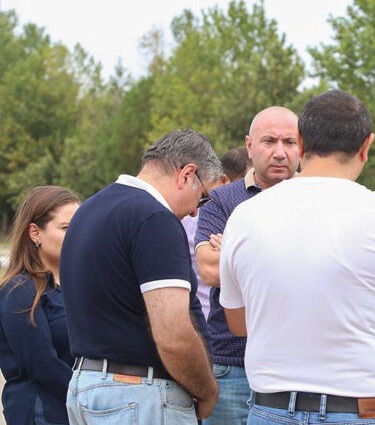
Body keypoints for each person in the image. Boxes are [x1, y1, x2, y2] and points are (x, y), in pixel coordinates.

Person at [219, 89, 375, 425]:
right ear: (366, 146)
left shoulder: (245, 216)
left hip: (272, 409)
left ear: (300, 142)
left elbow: (238, 322)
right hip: (370, 411)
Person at [60, 129, 221, 423]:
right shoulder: (155, 218)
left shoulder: (89, 209)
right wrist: (208, 391)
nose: (195, 214)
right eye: (202, 199)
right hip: (137, 394)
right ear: (187, 175)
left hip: (86, 386)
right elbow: (173, 335)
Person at [194, 107, 300, 424]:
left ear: (303, 147)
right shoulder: (221, 199)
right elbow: (209, 270)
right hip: (232, 365)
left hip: (299, 367)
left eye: (289, 142)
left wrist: (235, 251)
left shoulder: (318, 199)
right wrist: (292, 254)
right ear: (249, 146)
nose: (280, 152)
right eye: (269, 141)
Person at [0, 186, 79, 425]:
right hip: (41, 412)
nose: (77, 234)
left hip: (75, 412)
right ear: (35, 232)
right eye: (67, 228)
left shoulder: (76, 287)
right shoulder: (19, 290)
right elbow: (42, 364)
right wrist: (90, 398)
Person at [183, 146, 253, 318]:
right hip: (210, 318)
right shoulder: (194, 216)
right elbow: (210, 271)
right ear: (223, 181)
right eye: (248, 182)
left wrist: (231, 250)